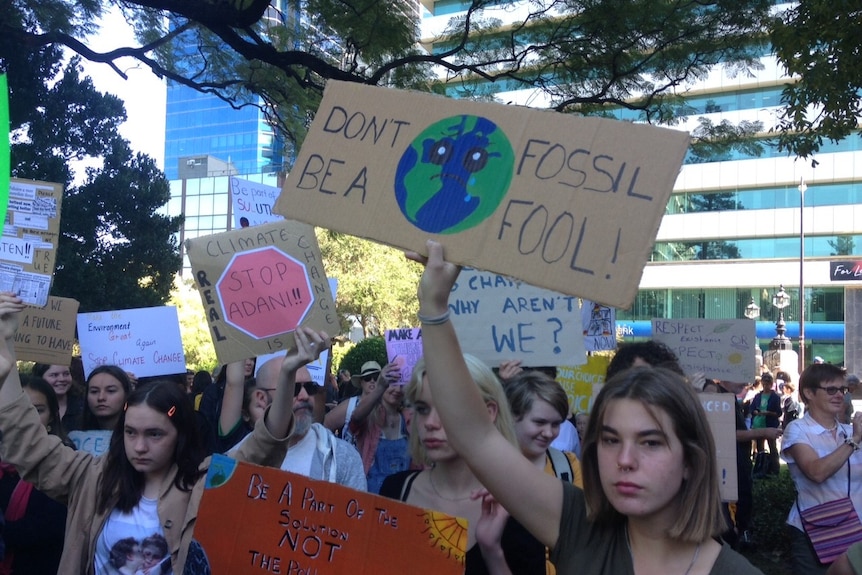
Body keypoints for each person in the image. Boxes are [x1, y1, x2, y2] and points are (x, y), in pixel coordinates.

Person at [407, 240, 761, 574]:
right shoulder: (578, 526)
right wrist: (434, 306)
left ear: (691, 459)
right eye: (609, 440)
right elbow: (475, 436)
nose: (624, 460)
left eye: (650, 442)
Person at [0, 292, 329, 574]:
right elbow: (31, 446)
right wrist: (6, 357)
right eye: (130, 433)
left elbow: (265, 445)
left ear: (180, 434)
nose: (139, 446)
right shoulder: (93, 478)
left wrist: (286, 374)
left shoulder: (204, 483)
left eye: (154, 434)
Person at [379, 356, 536, 574]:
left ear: (488, 412)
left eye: (447, 407)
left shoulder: (519, 508)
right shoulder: (394, 490)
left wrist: (492, 552)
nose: (431, 423)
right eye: (423, 409)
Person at [218, 356, 367, 490]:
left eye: (310, 388)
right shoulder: (239, 458)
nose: (304, 396)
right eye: (293, 389)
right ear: (261, 398)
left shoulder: (342, 458)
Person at [782, 363, 862, 575]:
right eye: (831, 390)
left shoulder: (849, 431)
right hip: (815, 531)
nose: (839, 396)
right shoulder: (797, 430)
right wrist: (854, 440)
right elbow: (816, 472)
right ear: (808, 393)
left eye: (843, 390)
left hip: (856, 530)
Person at [0, 376, 69, 574]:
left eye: (37, 410)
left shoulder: (64, 463)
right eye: (17, 410)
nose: (25, 418)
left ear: (52, 417)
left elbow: (49, 528)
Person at [347, 360, 411, 493]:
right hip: (372, 498)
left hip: (403, 500)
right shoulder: (370, 416)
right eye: (392, 383)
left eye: (402, 385)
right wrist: (380, 388)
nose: (397, 390)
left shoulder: (408, 419)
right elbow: (355, 419)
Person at [31, 362, 84, 431]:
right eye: (54, 375)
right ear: (40, 377)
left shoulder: (83, 404)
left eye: (66, 374)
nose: (62, 379)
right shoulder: (30, 406)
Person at [82, 365, 133, 432]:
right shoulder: (73, 434)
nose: (101, 397)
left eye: (111, 391)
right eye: (94, 391)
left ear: (126, 394)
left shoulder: (137, 434)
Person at [750, 372, 781, 476]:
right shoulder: (758, 396)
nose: (766, 386)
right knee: (760, 447)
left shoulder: (775, 397)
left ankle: (774, 468)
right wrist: (755, 412)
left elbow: (778, 413)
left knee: (772, 446)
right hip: (759, 424)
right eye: (764, 383)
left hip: (770, 424)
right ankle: (761, 468)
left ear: (771, 384)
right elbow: (752, 408)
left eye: (768, 383)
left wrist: (768, 413)